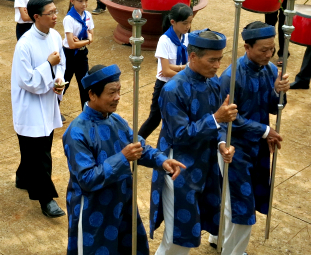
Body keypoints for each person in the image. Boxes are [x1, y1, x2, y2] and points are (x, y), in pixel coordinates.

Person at [63, 64, 185, 255]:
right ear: (92, 94)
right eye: (112, 93)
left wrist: (161, 161)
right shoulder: (76, 132)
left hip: (122, 204)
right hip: (93, 212)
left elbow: (140, 147)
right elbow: (87, 179)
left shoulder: (116, 120)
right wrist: (122, 158)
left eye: (119, 91)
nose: (117, 97)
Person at [148, 29, 238, 255]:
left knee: (190, 231)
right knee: (178, 236)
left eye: (220, 59)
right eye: (212, 60)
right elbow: (180, 134)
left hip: (204, 164)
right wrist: (216, 119)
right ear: (193, 56)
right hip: (178, 168)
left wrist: (221, 144)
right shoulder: (172, 89)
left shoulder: (213, 83)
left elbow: (218, 126)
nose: (218, 65)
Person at [210, 22, 286, 255]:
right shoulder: (231, 77)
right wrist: (265, 131)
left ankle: (217, 236)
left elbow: (274, 109)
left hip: (259, 147)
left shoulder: (271, 70)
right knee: (242, 206)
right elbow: (228, 119)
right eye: (263, 50)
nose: (268, 54)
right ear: (247, 47)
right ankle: (233, 252)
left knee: (236, 198)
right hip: (234, 148)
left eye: (271, 49)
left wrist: (279, 92)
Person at [11, 0, 66, 218]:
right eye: (50, 13)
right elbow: (28, 81)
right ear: (36, 17)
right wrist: (48, 66)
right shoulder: (24, 45)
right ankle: (46, 199)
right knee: (40, 154)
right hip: (30, 105)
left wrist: (59, 81)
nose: (55, 16)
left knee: (37, 149)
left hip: (48, 100)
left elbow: (61, 62)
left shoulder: (54, 36)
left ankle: (23, 177)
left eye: (56, 11)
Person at [138, 3, 193, 140]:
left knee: (180, 118)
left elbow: (175, 67)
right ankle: (134, 145)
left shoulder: (187, 38)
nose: (188, 26)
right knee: (154, 119)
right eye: (185, 23)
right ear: (173, 22)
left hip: (181, 84)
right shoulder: (165, 40)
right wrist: (184, 69)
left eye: (190, 23)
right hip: (165, 85)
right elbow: (166, 72)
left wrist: (177, 67)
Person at [61, 0, 93, 111]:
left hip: (82, 54)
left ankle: (86, 113)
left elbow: (92, 36)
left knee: (85, 85)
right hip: (69, 54)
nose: (84, 4)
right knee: (63, 83)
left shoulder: (88, 15)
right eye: (80, 1)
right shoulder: (68, 19)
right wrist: (86, 40)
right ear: (72, 1)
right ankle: (52, 111)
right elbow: (72, 44)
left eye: (86, 0)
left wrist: (83, 41)